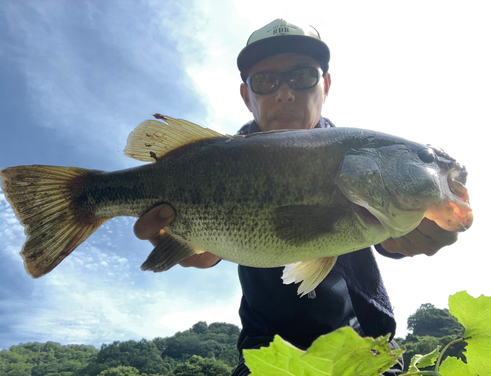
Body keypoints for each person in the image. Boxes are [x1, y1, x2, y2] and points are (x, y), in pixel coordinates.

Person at [134, 19, 458, 375]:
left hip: (367, 350)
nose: (284, 92)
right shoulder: (214, 158)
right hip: (266, 355)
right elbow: (211, 251)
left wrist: (413, 235)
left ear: (326, 85)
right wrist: (183, 247)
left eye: (303, 76)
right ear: (247, 96)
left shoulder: (358, 156)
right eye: (265, 80)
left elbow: (391, 239)